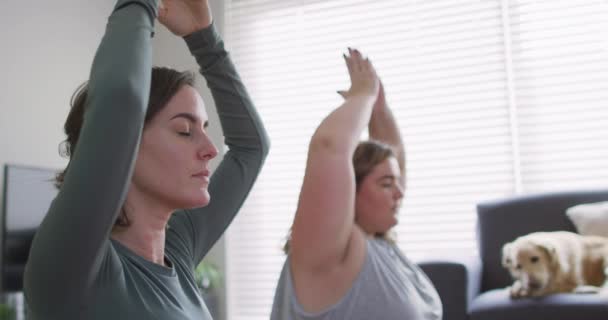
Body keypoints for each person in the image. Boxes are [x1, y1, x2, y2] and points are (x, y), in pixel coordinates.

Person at [23, 0, 269, 319]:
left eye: (203, 129)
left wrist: (204, 37)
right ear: (125, 144)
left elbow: (251, 147)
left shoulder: (176, 251)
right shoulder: (74, 265)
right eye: (184, 130)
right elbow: (120, 99)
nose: (210, 148)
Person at [270, 49, 442, 319]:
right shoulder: (327, 250)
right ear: (350, 189)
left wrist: (379, 109)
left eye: (396, 182)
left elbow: (392, 152)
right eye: (386, 184)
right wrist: (364, 94)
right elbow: (329, 146)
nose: (400, 192)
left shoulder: (380, 245)